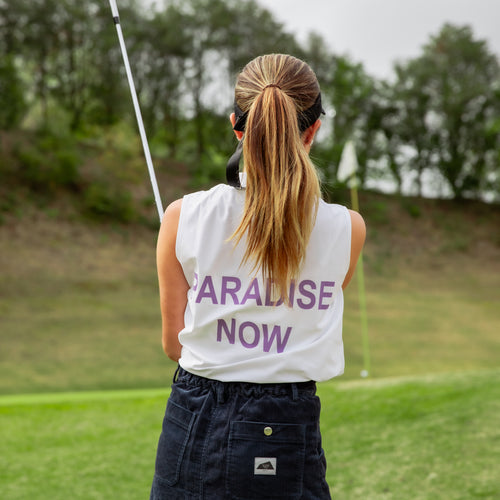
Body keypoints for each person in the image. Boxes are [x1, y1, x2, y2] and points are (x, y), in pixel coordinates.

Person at [150, 53, 366, 500]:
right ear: (313, 130)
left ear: (236, 124)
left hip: (196, 415)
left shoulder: (180, 216)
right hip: (288, 418)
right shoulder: (349, 228)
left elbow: (175, 345)